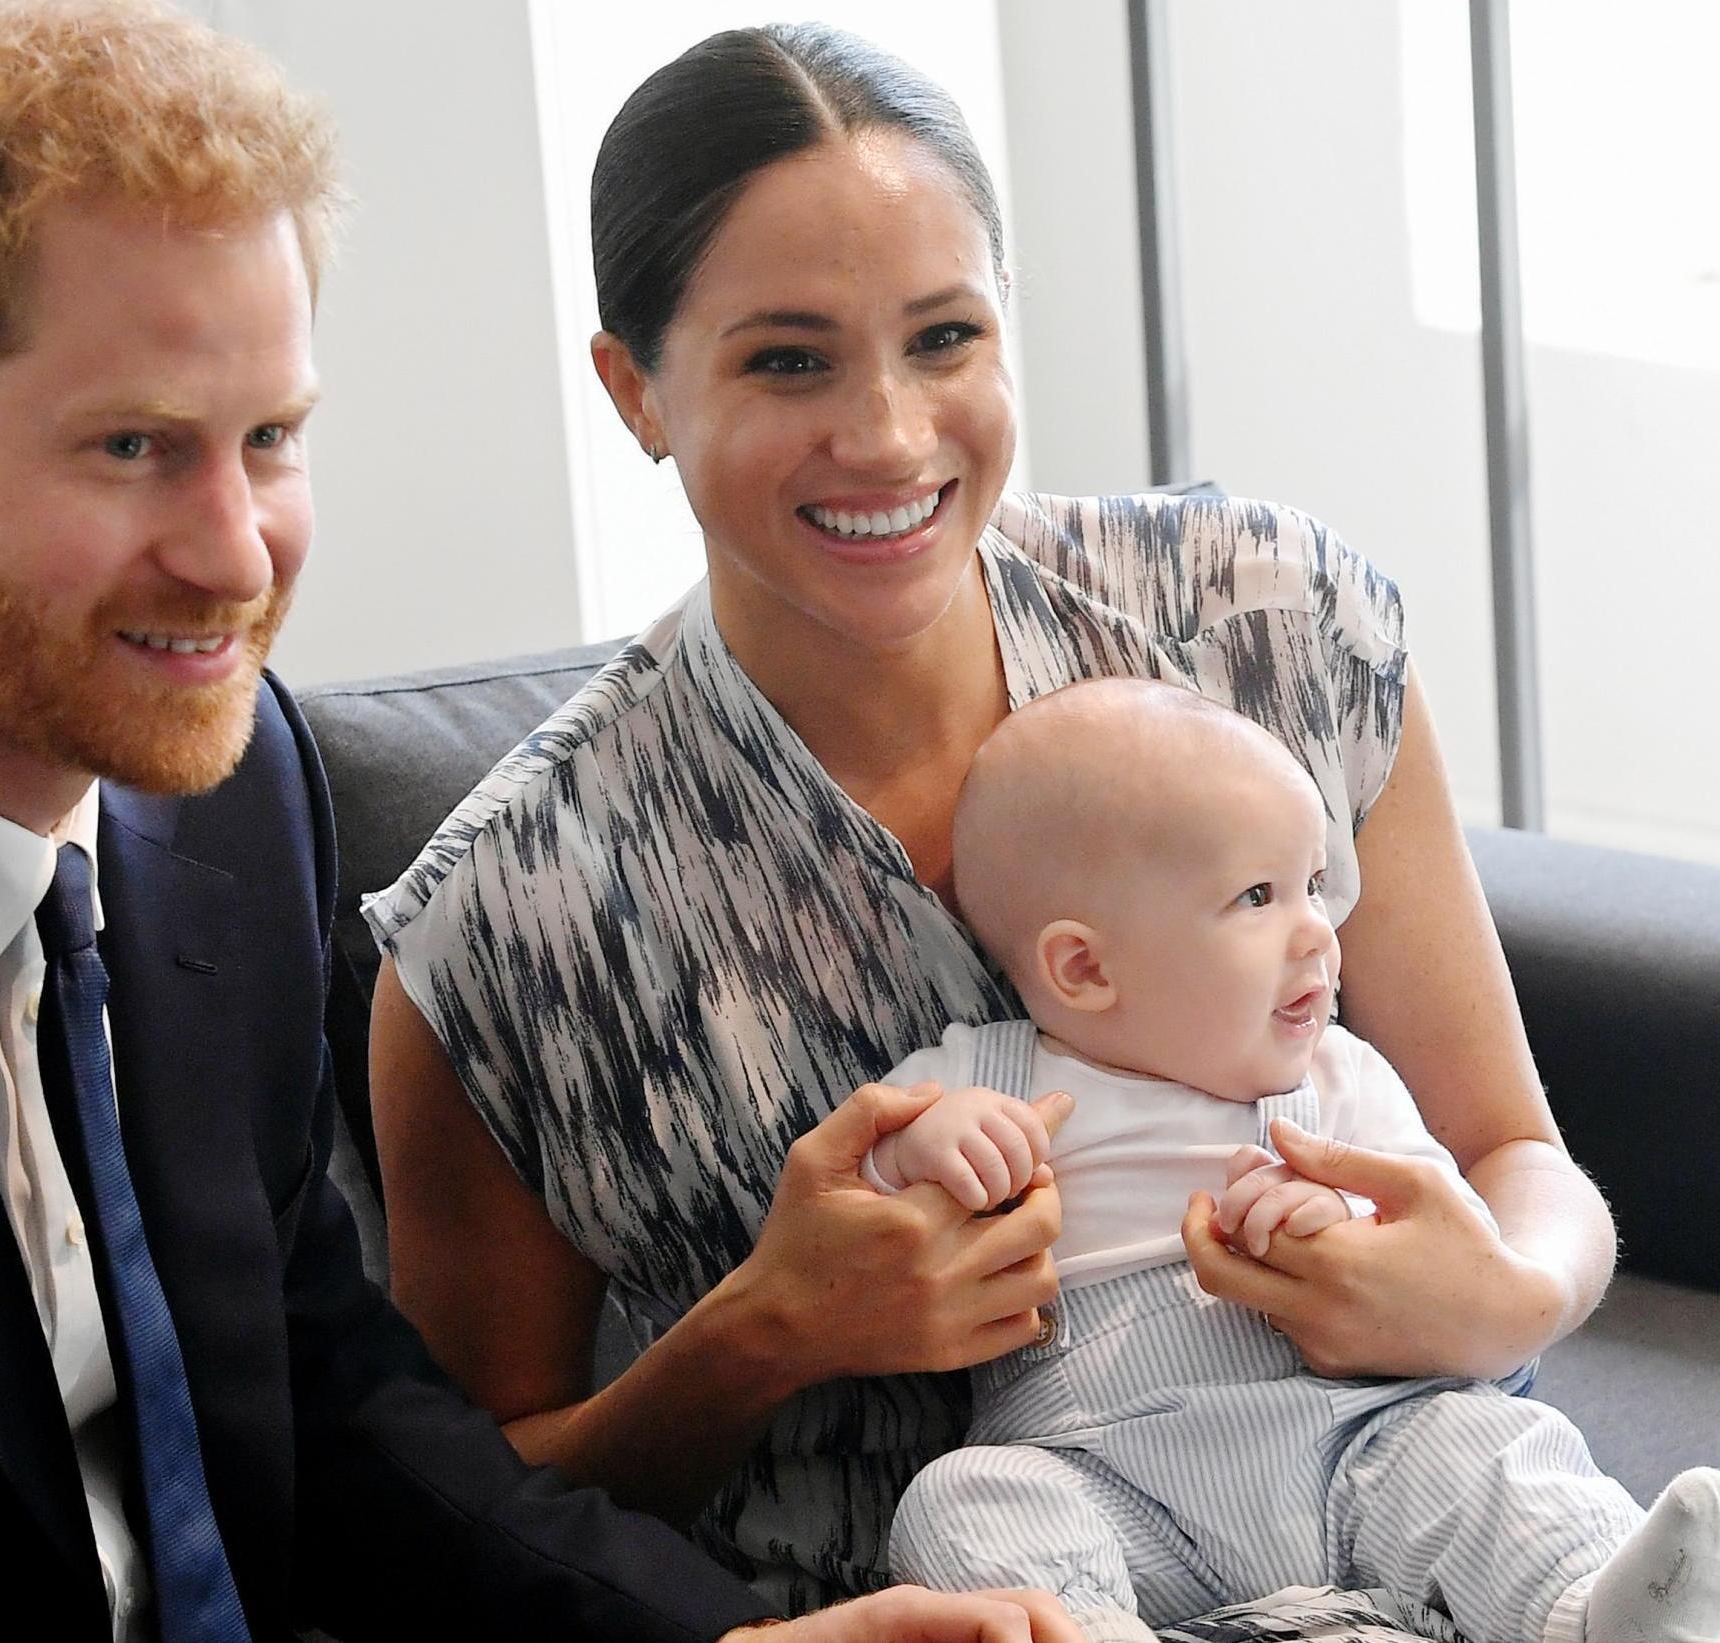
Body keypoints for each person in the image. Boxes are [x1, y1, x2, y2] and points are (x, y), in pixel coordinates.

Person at [0, 6, 1084, 1641]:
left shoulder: (228, 791)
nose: (241, 557)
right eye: (135, 448)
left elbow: (318, 1392)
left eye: (270, 440)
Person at [365, 20, 1618, 1619]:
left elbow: (1518, 1152)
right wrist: (765, 1330)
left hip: (1417, 1554)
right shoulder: (507, 925)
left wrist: (1500, 1290)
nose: (888, 435)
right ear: (636, 389)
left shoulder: (1266, 624)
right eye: (787, 358)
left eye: (945, 336)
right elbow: (457, 1525)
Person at [863, 678, 1720, 1643]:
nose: (1316, 930)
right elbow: (857, 1186)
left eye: (1312, 884)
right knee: (960, 1500)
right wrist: (928, 1145)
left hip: (1356, 1444)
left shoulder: (1340, 1079)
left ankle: (1596, 1612)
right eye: (1257, 896)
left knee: (1491, 1449)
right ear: (1083, 969)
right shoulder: (984, 1078)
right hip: (1103, 1473)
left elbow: (1441, 1239)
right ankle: (1086, 1629)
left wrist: (1342, 1233)